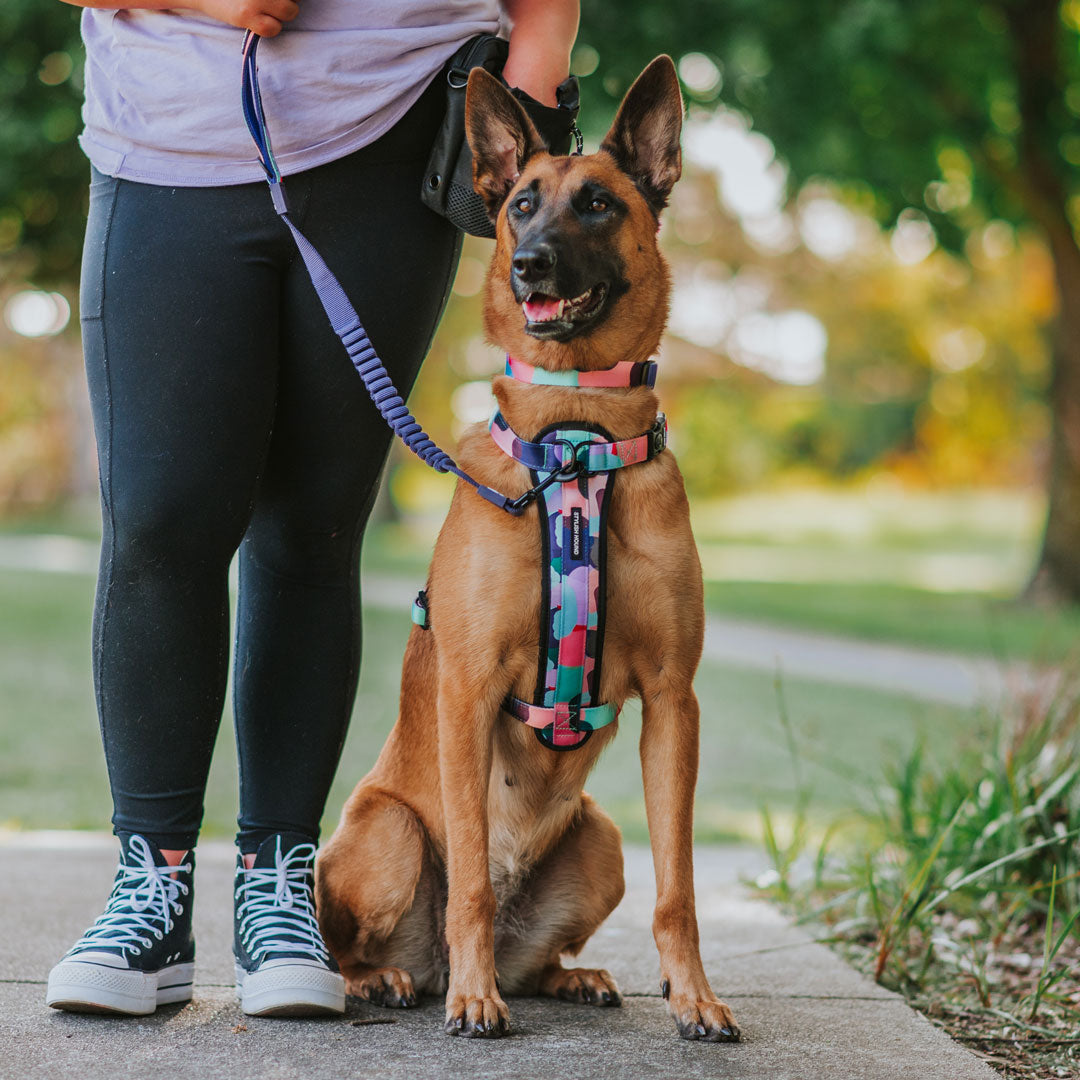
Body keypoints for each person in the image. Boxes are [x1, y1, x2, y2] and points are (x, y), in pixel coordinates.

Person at [44, 0, 579, 1018]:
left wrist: (540, 61)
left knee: (315, 523)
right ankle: (148, 892)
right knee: (160, 522)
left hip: (395, 126)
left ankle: (278, 881)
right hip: (169, 144)